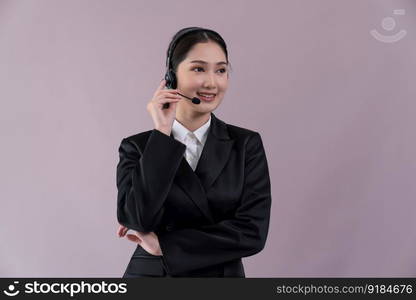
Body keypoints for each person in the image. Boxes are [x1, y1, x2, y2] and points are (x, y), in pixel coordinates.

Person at [116, 27, 272, 277]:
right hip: (153, 276)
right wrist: (162, 133)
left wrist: (166, 245)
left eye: (221, 70)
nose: (212, 82)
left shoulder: (245, 145)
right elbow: (139, 219)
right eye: (199, 68)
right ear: (171, 77)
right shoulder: (138, 147)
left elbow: (253, 232)